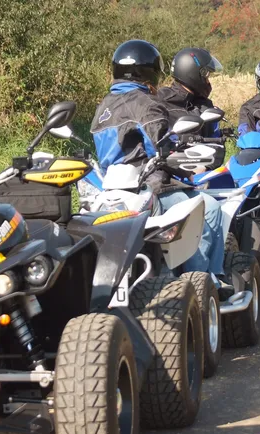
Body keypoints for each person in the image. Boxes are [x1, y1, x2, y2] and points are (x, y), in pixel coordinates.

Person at [90, 39, 224, 276]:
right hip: (149, 186)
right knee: (209, 208)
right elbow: (161, 147)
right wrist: (184, 158)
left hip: (110, 189)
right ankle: (202, 282)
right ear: (149, 72)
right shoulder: (146, 103)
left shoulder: (104, 106)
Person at [158, 47, 223, 137]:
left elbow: (214, 138)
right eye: (206, 77)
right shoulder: (162, 103)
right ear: (193, 74)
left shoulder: (204, 105)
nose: (208, 82)